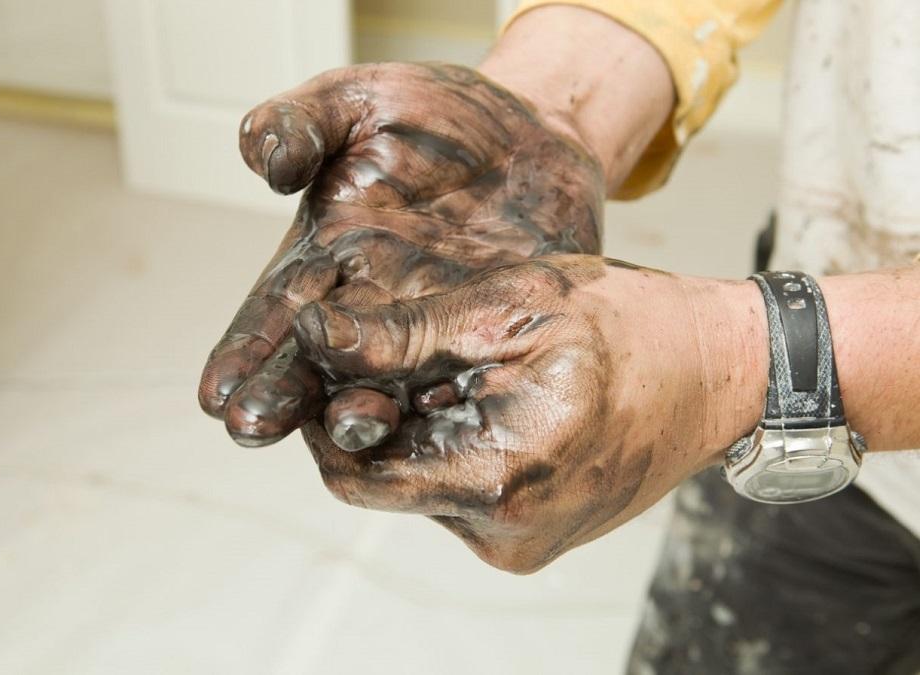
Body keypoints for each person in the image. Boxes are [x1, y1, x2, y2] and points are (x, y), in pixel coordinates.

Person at [198, 2, 920, 672]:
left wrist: (725, 358)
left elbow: (737, 359)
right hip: (825, 409)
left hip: (798, 373)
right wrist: (550, 106)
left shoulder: (754, 366)